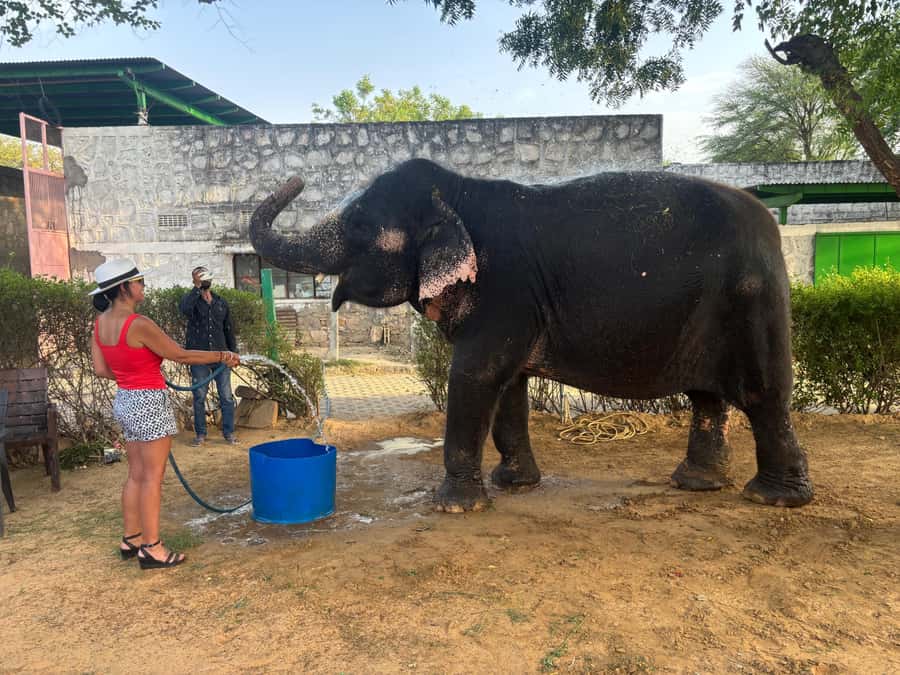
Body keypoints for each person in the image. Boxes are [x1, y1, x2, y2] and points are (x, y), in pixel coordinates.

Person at [90, 258, 240, 570]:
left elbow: (101, 369)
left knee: (135, 474)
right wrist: (223, 356)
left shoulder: (100, 324)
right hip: (147, 401)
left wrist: (131, 374)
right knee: (152, 478)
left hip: (126, 400)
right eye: (139, 282)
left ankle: (130, 538)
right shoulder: (138, 324)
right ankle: (152, 548)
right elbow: (180, 354)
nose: (142, 286)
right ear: (124, 288)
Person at [179, 266, 239, 446]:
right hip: (199, 358)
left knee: (226, 397)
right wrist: (196, 289)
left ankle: (228, 433)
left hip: (221, 358)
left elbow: (228, 329)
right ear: (194, 280)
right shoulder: (192, 302)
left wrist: (234, 352)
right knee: (199, 396)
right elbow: (184, 309)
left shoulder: (221, 302)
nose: (203, 281)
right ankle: (201, 434)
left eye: (205, 277)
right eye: (199, 278)